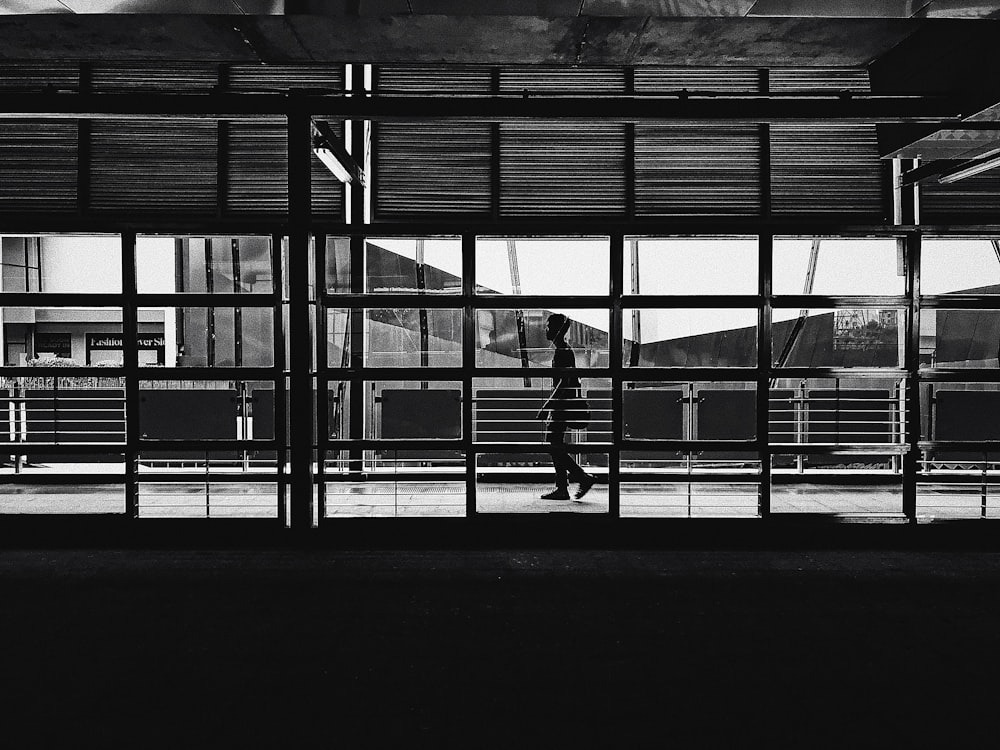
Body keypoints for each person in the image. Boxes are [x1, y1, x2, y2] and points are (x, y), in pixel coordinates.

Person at [535, 313, 596, 500]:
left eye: (548, 326)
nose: (545, 329)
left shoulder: (562, 351)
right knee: (556, 445)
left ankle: (579, 478)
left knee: (554, 445)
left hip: (561, 406)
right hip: (562, 404)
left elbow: (563, 382)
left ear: (555, 330)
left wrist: (548, 406)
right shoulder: (563, 350)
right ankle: (564, 486)